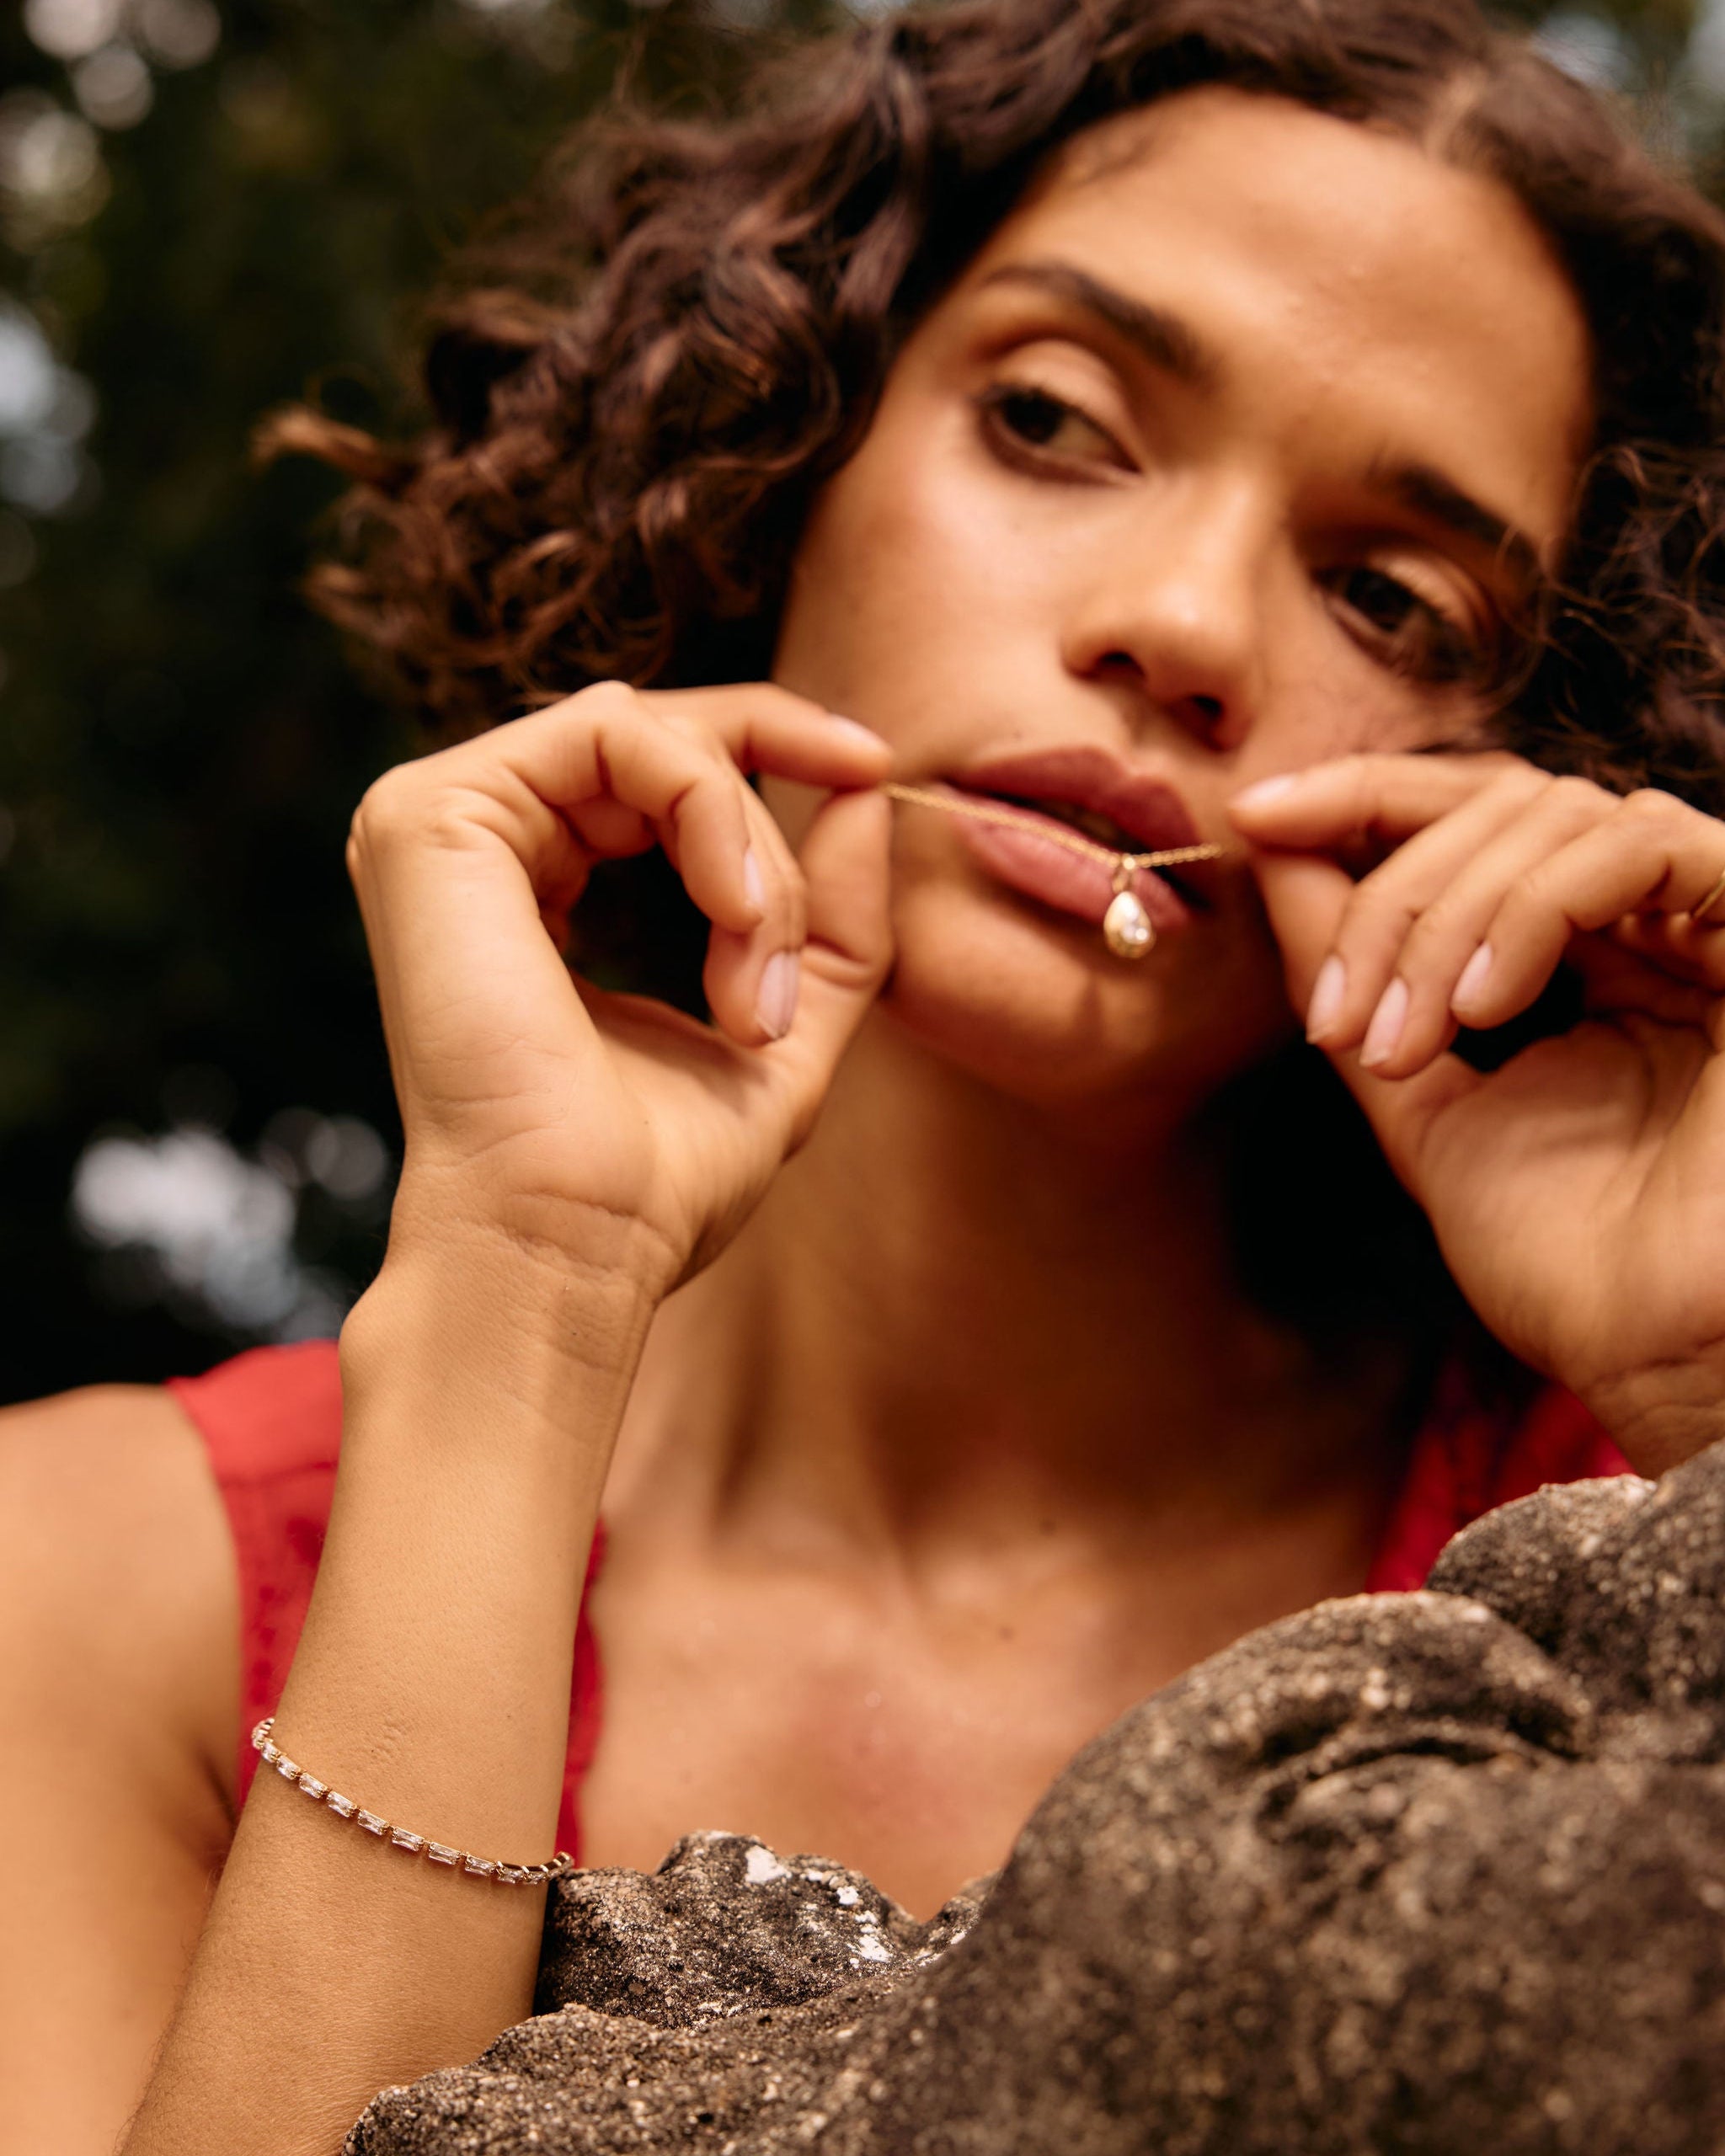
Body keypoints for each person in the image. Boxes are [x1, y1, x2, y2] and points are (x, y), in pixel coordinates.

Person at [8, 0, 1725, 2148]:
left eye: (1388, 595)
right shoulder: (89, 1577)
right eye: (1050, 417)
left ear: (1533, 757)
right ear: (784, 451)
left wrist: (1705, 1399)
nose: (1184, 624)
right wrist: (522, 1298)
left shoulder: (1622, 1486)